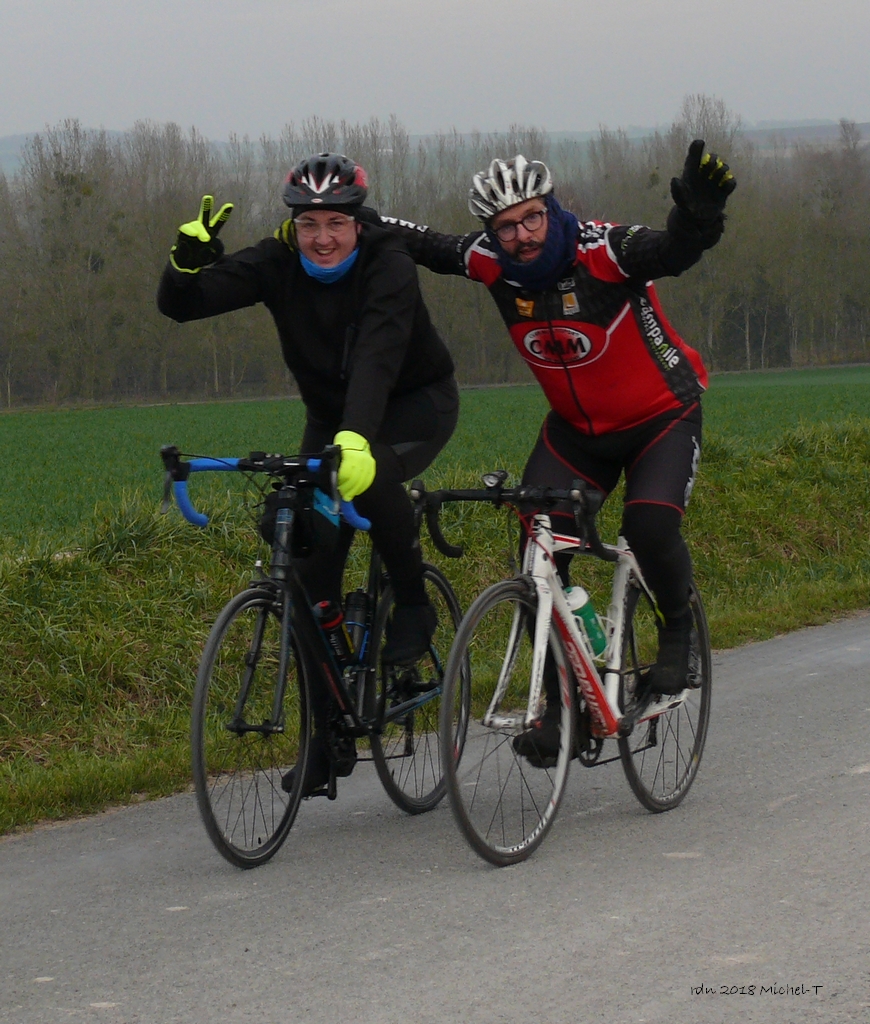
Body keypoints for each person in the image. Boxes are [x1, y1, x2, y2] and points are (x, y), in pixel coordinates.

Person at [376, 140, 735, 759]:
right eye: (506, 226)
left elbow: (671, 252)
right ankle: (561, 705)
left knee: (649, 528)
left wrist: (696, 221)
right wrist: (347, 217)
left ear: (552, 208)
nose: (522, 236)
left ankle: (678, 632)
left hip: (661, 418)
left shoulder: (603, 250)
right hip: (577, 434)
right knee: (538, 553)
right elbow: (425, 244)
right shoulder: (489, 263)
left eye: (533, 217)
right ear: (492, 232)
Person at [157, 152, 459, 793]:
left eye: (336, 223)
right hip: (330, 419)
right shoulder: (278, 259)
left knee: (371, 479)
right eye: (309, 223)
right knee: (304, 566)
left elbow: (378, 355)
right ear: (293, 224)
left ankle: (413, 603)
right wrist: (185, 264)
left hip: (412, 405)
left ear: (358, 222)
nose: (322, 238)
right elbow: (183, 306)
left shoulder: (389, 264)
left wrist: (357, 439)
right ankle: (329, 735)